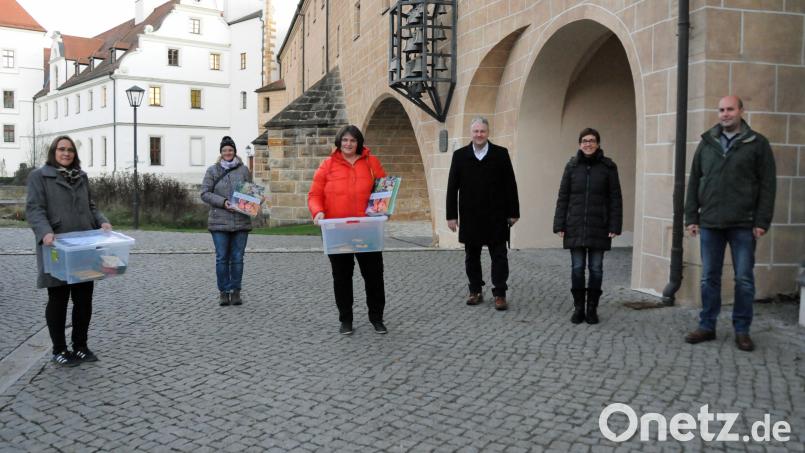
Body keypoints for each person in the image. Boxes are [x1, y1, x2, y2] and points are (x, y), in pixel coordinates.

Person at [683, 96, 776, 352]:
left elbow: (768, 186)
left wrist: (762, 221)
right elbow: (694, 181)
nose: (725, 114)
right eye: (721, 110)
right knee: (708, 278)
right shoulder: (707, 143)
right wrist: (691, 217)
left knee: (744, 279)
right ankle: (707, 326)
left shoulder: (757, 144)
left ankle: (742, 330)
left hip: (744, 224)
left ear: (741, 111)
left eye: (730, 109)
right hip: (710, 222)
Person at [26, 135, 112, 367]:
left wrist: (101, 221)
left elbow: (91, 206)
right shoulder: (39, 177)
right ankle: (59, 349)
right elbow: (34, 209)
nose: (66, 153)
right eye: (62, 149)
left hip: (84, 246)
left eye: (70, 150)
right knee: (59, 298)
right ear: (53, 151)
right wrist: (45, 231)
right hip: (56, 246)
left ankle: (81, 346)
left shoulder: (81, 177)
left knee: (84, 299)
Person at [308, 125, 388, 335]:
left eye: (352, 140)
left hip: (367, 229)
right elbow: (314, 195)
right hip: (337, 230)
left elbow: (383, 191)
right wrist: (318, 212)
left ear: (358, 142)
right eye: (345, 140)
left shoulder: (372, 163)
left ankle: (377, 318)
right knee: (342, 278)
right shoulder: (327, 166)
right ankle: (346, 319)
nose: (348, 144)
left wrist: (384, 210)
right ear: (339, 142)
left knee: (374, 276)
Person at [446, 116, 520, 310]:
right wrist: (451, 216)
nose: (479, 135)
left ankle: (500, 293)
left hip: (496, 215)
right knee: (472, 256)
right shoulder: (460, 156)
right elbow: (452, 188)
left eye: (482, 131)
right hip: (470, 216)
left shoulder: (501, 154)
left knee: (499, 256)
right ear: (471, 133)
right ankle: (475, 290)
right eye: (476, 131)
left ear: (488, 133)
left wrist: (514, 212)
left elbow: (510, 185)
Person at [553, 128, 623, 324]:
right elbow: (563, 197)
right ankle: (578, 308)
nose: (588, 144)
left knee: (596, 268)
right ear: (579, 144)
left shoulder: (609, 167)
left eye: (592, 140)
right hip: (574, 224)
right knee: (577, 268)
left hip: (599, 226)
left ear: (598, 144)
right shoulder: (572, 166)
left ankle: (592, 308)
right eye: (584, 141)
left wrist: (614, 225)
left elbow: (615, 198)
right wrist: (559, 224)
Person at [201, 136, 253, 306]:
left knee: (238, 258)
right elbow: (205, 193)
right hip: (219, 222)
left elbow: (249, 192)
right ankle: (224, 291)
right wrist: (223, 203)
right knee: (222, 258)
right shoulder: (212, 171)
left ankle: (236, 291)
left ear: (234, 152)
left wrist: (255, 200)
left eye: (230, 150)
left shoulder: (244, 170)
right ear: (221, 153)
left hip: (240, 221)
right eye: (225, 150)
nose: (228, 153)